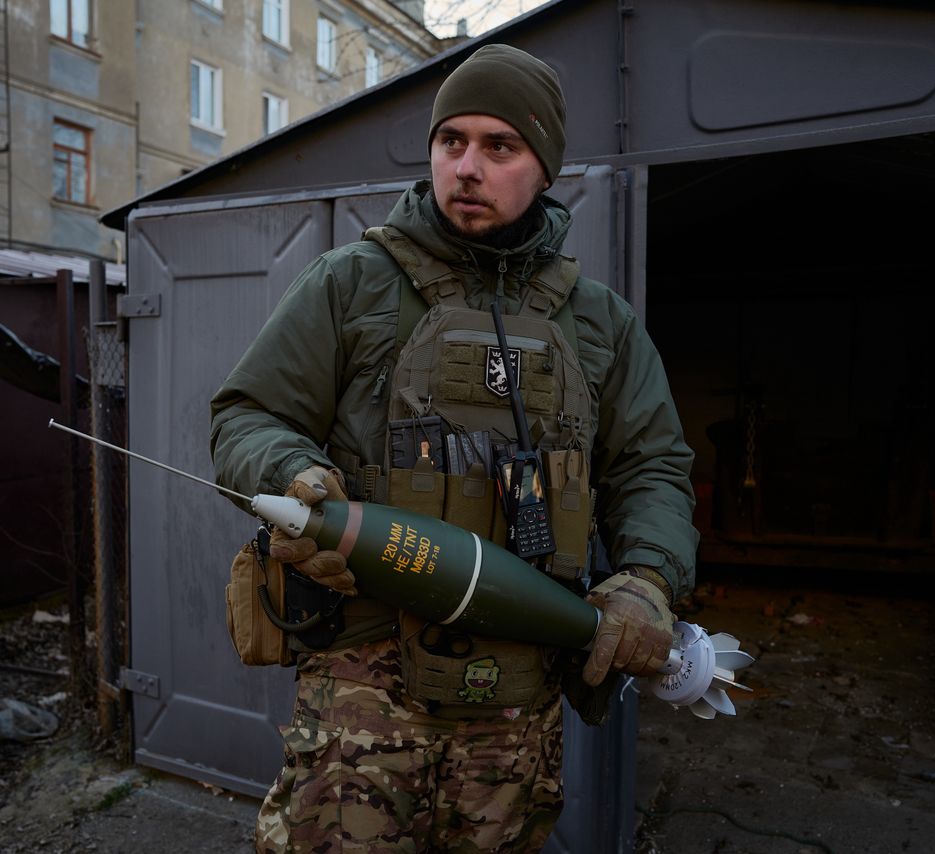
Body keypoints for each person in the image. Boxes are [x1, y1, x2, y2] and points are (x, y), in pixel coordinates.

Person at [211, 43, 698, 853]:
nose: (467, 166)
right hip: (363, 700)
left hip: (518, 706)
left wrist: (648, 578)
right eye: (451, 142)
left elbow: (652, 464)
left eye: (499, 146)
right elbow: (247, 414)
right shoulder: (351, 283)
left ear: (544, 166)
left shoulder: (600, 323)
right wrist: (291, 475)